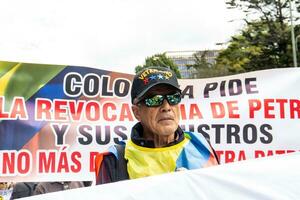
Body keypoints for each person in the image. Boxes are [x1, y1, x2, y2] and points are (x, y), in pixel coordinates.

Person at [95, 66, 219, 184]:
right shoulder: (114, 159)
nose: (166, 107)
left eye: (173, 98)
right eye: (154, 99)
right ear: (136, 112)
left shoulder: (202, 145)